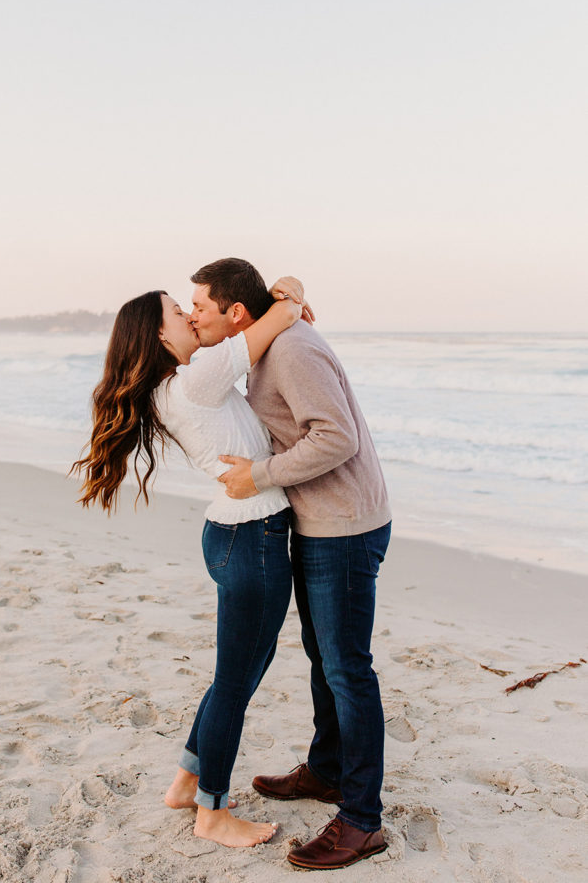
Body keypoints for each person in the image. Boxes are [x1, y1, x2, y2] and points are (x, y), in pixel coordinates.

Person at [71, 287, 305, 848]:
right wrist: (291, 292)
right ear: (157, 335)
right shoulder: (197, 377)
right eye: (179, 312)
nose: (191, 316)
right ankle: (213, 813)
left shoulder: (172, 387)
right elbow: (278, 319)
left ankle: (185, 783)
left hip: (235, 532)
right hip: (255, 534)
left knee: (236, 673)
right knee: (236, 680)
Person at [188, 258, 392, 870]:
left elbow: (337, 437)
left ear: (237, 312)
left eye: (200, 305)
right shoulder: (264, 344)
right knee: (323, 658)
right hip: (316, 521)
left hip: (345, 526)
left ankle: (361, 820)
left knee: (347, 669)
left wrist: (260, 475)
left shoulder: (292, 351)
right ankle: (328, 772)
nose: (193, 315)